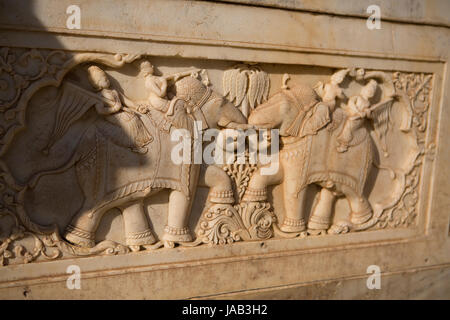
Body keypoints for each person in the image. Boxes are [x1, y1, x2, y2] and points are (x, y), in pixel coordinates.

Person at [87, 65, 153, 154]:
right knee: (130, 121)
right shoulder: (100, 96)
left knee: (134, 117)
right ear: (97, 84)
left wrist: (137, 107)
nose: (107, 80)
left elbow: (126, 101)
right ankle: (134, 146)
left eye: (106, 77)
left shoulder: (114, 91)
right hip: (112, 115)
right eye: (103, 79)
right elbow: (100, 110)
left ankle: (142, 140)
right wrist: (114, 108)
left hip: (121, 111)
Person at [336, 79, 377, 153]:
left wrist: (368, 113)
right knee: (349, 127)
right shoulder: (358, 97)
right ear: (364, 89)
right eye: (368, 89)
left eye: (372, 91)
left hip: (360, 120)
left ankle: (346, 144)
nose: (370, 92)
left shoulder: (368, 103)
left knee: (352, 128)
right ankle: (343, 144)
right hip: (353, 116)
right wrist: (357, 111)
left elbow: (369, 116)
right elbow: (351, 103)